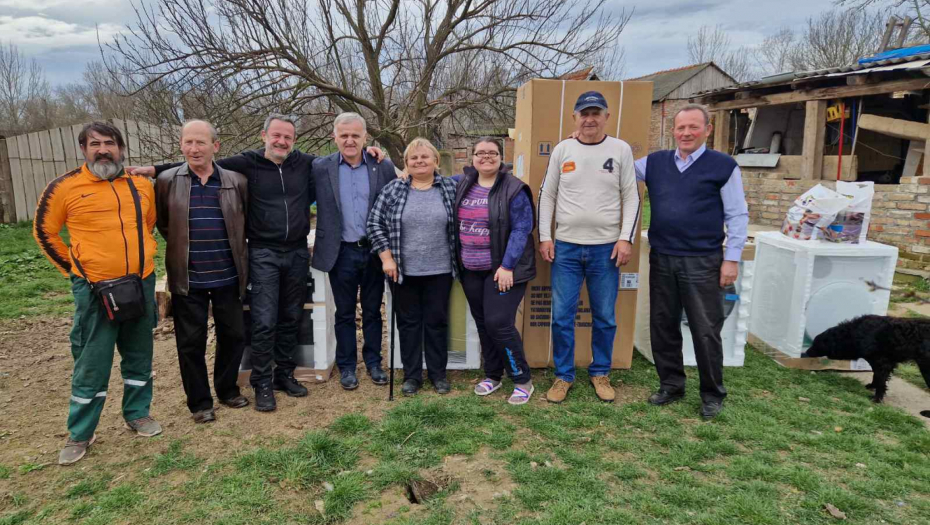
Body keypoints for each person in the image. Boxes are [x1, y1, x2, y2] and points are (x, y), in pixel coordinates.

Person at [132, 114, 383, 412]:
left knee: (291, 318)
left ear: (294, 141)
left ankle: (284, 375)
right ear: (264, 136)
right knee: (264, 321)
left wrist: (374, 152)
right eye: (276, 135)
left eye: (287, 137)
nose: (281, 141)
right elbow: (201, 161)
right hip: (263, 252)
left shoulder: (306, 164)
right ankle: (261, 382)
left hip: (298, 252)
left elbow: (343, 156)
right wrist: (153, 169)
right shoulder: (246, 163)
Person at [34, 122, 162, 465]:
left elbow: (148, 223)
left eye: (109, 143)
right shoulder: (65, 187)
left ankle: (138, 412)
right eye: (95, 144)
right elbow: (44, 232)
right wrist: (77, 269)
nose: (102, 149)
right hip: (93, 289)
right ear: (83, 149)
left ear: (121, 148)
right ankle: (81, 432)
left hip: (140, 281)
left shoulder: (140, 184)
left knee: (139, 352)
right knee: (93, 360)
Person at [634, 103, 749, 420]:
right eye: (681, 127)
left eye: (693, 127)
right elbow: (616, 168)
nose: (686, 133)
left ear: (707, 130)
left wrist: (732, 259)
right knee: (663, 325)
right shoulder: (654, 163)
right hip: (663, 257)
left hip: (703, 261)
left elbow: (737, 215)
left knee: (706, 329)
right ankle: (671, 384)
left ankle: (712, 394)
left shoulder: (723, 166)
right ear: (673, 131)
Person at [538, 91, 641, 404]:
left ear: (607, 116)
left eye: (596, 113)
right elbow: (547, 195)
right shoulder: (563, 149)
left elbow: (632, 197)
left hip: (606, 249)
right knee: (562, 317)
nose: (590, 119)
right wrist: (545, 235)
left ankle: (600, 372)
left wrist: (626, 237)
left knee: (605, 316)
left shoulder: (620, 149)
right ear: (575, 118)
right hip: (566, 248)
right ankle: (563, 376)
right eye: (584, 113)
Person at [155, 120, 250, 423]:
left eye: (201, 143)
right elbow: (164, 225)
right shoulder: (168, 181)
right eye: (188, 143)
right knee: (190, 343)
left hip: (228, 276)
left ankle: (227, 389)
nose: (194, 149)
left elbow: (242, 222)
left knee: (234, 336)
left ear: (215, 146)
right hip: (188, 279)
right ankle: (199, 403)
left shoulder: (236, 181)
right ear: (181, 145)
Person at [311, 113, 396, 390]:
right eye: (344, 135)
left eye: (355, 135)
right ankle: (347, 366)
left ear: (365, 137)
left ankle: (373, 363)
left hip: (374, 251)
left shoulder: (382, 165)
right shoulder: (320, 168)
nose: (350, 140)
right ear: (334, 137)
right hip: (340, 252)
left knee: (373, 311)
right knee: (344, 313)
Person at [367, 137, 458, 396]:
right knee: (408, 324)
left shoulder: (449, 189)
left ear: (435, 161)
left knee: (437, 322)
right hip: (403, 271)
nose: (419, 161)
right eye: (413, 158)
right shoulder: (393, 190)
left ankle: (438, 374)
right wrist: (386, 258)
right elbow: (374, 224)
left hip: (440, 270)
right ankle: (412, 376)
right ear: (406, 163)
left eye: (425, 157)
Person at [453, 137, 536, 405]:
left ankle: (522, 379)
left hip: (503, 270)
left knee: (498, 323)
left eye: (492, 152)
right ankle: (493, 375)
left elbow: (522, 228)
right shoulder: (462, 183)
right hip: (471, 269)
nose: (486, 157)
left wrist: (508, 265)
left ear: (501, 158)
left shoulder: (514, 188)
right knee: (483, 323)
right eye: (480, 153)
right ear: (472, 157)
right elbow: (423, 176)